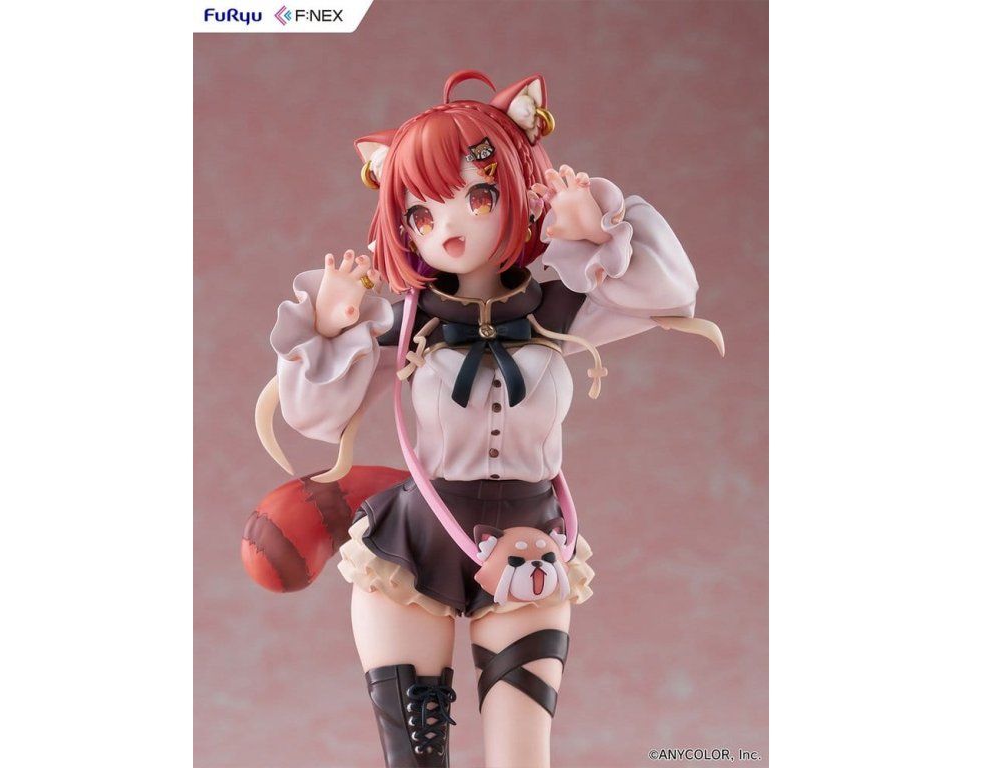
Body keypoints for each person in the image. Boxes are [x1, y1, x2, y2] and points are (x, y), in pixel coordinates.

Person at [259, 70, 723, 768]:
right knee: (416, 754)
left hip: (532, 545)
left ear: (520, 189)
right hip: (413, 546)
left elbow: (671, 291)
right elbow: (315, 416)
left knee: (521, 755)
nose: (449, 230)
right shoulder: (406, 324)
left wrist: (597, 230)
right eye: (422, 214)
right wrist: (329, 326)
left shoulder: (558, 309)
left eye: (477, 197)